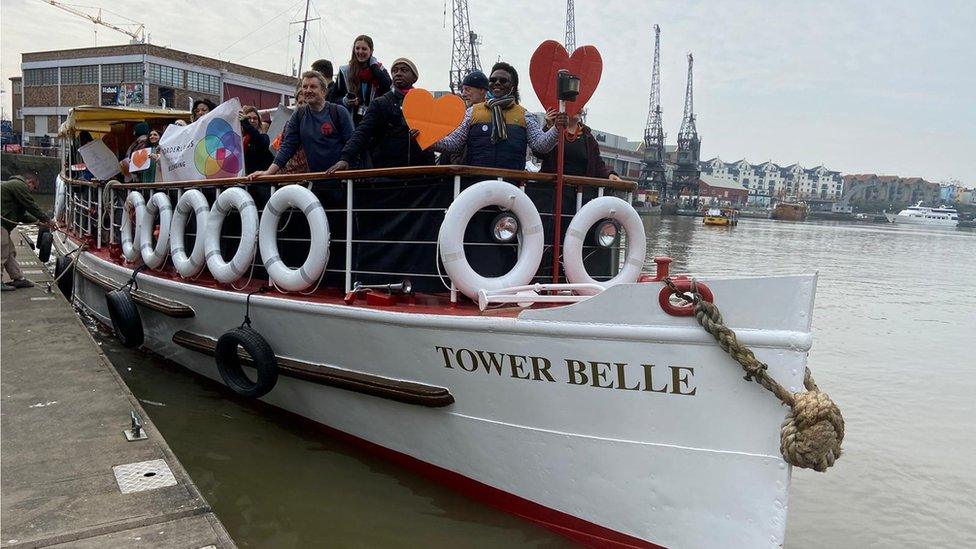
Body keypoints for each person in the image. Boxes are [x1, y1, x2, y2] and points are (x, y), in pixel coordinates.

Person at [434, 62, 562, 171]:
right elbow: (454, 143)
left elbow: (540, 145)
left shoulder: (524, 115)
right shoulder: (473, 112)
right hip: (476, 183)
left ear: (513, 87)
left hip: (511, 184)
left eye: (503, 80)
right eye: (493, 80)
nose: (497, 83)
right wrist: (425, 139)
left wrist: (557, 128)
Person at [326, 58, 434, 173]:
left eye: (404, 70)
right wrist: (345, 158)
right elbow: (362, 132)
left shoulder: (424, 104)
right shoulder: (380, 103)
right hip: (388, 174)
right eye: (395, 70)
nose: (398, 73)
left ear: (414, 77)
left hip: (421, 174)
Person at [248, 71, 353, 179]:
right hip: (315, 179)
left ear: (324, 91)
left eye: (313, 87)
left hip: (340, 179)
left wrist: (345, 161)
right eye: (305, 87)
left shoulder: (339, 112)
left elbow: (351, 143)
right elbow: (287, 146)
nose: (308, 90)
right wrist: (268, 172)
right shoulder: (299, 115)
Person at [1, 173, 54, 291]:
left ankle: (18, 278)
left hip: (4, 225)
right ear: (29, 182)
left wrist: (37, 222)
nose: (32, 191)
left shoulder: (14, 188)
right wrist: (47, 220)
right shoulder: (19, 185)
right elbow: (31, 205)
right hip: (1, 224)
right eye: (34, 188)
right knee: (2, 253)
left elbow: (22, 214)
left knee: (9, 252)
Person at [327, 35, 392, 125]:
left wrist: (373, 66)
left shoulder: (379, 69)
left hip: (373, 122)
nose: (360, 51)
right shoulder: (345, 71)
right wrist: (345, 101)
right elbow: (332, 99)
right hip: (350, 122)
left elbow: (388, 87)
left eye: (364, 49)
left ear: (371, 51)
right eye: (357, 48)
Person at [537, 113, 623, 180]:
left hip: (581, 192)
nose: (580, 108)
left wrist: (609, 174)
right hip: (553, 191)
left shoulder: (588, 137)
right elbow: (538, 153)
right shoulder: (552, 130)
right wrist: (549, 127)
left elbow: (597, 165)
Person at [240, 105, 274, 174]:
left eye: (255, 118)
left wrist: (246, 123)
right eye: (248, 118)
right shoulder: (239, 139)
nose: (252, 121)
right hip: (242, 180)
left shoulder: (264, 137)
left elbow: (258, 140)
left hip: (259, 180)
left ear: (259, 122)